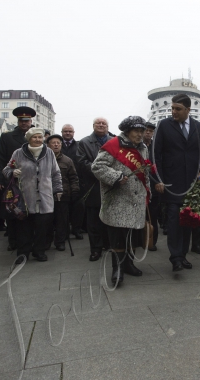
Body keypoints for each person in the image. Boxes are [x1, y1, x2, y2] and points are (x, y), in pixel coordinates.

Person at [154, 94, 200, 272]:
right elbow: (156, 154)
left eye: (178, 109)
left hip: (193, 184)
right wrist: (159, 180)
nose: (173, 112)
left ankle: (183, 255)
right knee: (174, 222)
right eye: (172, 108)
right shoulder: (164, 126)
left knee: (187, 221)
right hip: (171, 184)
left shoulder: (199, 127)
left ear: (188, 110)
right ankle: (176, 257)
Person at [92, 117, 152, 286]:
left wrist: (148, 192)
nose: (140, 134)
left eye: (142, 131)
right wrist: (116, 177)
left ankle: (129, 264)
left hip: (136, 198)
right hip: (118, 198)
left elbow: (145, 172)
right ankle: (117, 268)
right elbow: (97, 167)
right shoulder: (113, 145)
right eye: (136, 131)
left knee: (132, 236)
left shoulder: (143, 148)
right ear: (127, 131)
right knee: (118, 236)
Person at [3, 128, 63, 262]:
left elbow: (56, 173)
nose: (38, 140)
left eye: (40, 137)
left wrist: (58, 189)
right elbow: (7, 169)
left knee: (42, 227)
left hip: (44, 196)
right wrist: (12, 173)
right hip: (25, 196)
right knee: (24, 227)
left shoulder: (49, 153)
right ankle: (23, 252)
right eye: (34, 137)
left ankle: (39, 251)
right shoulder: (18, 153)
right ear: (29, 139)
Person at [0, 107, 36, 251]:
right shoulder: (7, 137)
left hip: (32, 180)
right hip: (13, 180)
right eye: (21, 121)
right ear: (18, 121)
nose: (24, 123)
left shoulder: (37, 135)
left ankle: (31, 240)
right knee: (12, 211)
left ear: (31, 121)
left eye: (27, 121)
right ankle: (13, 240)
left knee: (32, 212)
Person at [77, 118, 116, 261]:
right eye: (98, 123)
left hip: (112, 185)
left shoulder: (115, 141)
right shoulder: (84, 142)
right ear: (93, 126)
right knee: (93, 221)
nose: (101, 125)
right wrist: (101, 172)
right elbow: (81, 163)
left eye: (104, 123)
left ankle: (109, 244)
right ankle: (95, 249)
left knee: (110, 219)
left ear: (108, 126)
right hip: (93, 185)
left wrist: (111, 176)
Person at [47, 135, 80, 252]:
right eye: (53, 143)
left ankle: (60, 242)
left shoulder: (67, 160)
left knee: (62, 220)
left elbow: (73, 177)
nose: (56, 145)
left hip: (63, 195)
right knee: (47, 220)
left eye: (58, 143)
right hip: (46, 195)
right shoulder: (43, 159)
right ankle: (46, 241)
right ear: (48, 145)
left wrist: (75, 190)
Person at [61, 124, 85, 241]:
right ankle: (64, 231)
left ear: (73, 132)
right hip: (61, 182)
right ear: (62, 132)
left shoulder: (79, 146)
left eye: (70, 131)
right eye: (65, 131)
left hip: (77, 181)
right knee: (63, 209)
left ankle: (76, 229)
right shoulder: (57, 145)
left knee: (78, 208)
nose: (68, 133)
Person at [144, 122, 161, 251]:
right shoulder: (137, 146)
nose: (148, 133)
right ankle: (141, 240)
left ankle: (152, 241)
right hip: (141, 186)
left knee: (153, 216)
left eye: (151, 131)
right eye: (146, 130)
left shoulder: (157, 146)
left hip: (155, 186)